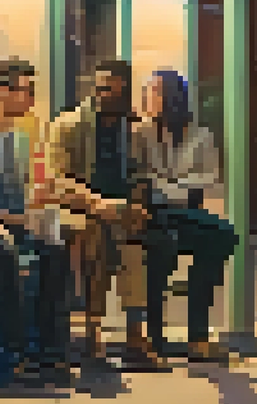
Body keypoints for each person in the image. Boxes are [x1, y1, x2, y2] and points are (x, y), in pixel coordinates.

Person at [0, 59, 71, 382]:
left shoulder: (18, 138)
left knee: (55, 247)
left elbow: (17, 194)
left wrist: (32, 209)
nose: (31, 99)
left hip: (12, 220)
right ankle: (16, 352)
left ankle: (52, 351)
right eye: (27, 90)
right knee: (5, 252)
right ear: (2, 91)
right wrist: (8, 217)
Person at [47, 59, 154, 368]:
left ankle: (135, 334)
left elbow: (139, 173)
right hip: (76, 208)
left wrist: (138, 203)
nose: (105, 96)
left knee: (135, 247)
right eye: (101, 89)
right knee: (96, 234)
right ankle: (94, 332)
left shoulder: (130, 129)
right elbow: (57, 179)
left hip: (119, 209)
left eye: (114, 91)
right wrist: (95, 202)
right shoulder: (67, 125)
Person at [132, 69, 238, 363]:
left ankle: (197, 335)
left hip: (185, 213)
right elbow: (141, 178)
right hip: (151, 214)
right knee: (161, 247)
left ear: (171, 96)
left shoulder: (200, 135)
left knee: (221, 237)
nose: (147, 97)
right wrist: (177, 186)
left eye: (154, 91)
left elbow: (209, 177)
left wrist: (167, 187)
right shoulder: (139, 133)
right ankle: (156, 337)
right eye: (147, 91)